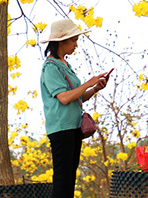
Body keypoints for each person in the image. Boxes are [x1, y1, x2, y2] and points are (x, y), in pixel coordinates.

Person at [40, 19, 111, 198]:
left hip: (72, 128)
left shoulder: (64, 65)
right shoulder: (50, 67)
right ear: (61, 42)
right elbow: (64, 98)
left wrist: (95, 88)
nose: (75, 45)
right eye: (73, 40)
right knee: (63, 180)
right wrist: (89, 82)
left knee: (70, 178)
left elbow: (76, 97)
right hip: (61, 129)